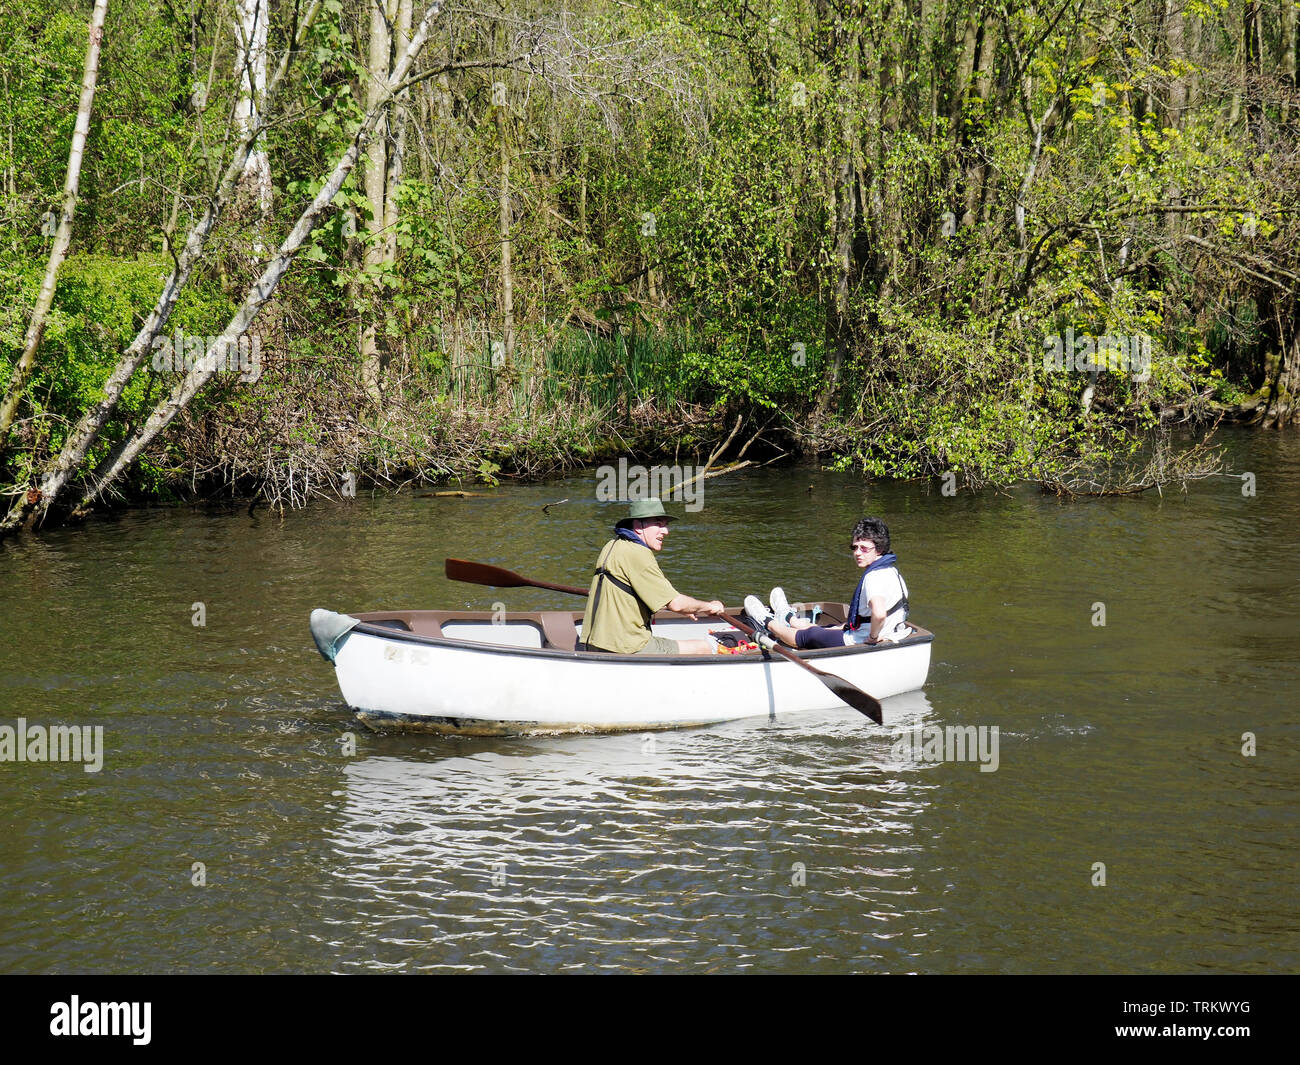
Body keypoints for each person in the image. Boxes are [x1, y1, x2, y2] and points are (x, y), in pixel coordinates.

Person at [578, 498, 726, 655]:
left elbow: (635, 593)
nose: (665, 531)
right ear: (637, 526)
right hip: (626, 647)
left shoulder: (612, 545)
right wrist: (710, 607)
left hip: (594, 644)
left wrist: (689, 607)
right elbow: (676, 604)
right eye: (658, 524)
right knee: (703, 647)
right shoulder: (639, 553)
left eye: (665, 525)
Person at [744, 517, 910, 650]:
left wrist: (872, 638)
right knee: (830, 628)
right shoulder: (893, 572)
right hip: (892, 633)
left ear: (879, 548)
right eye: (854, 547)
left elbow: (879, 613)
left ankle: (766, 621)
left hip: (859, 639)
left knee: (810, 635)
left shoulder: (874, 577)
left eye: (864, 548)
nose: (857, 553)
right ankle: (788, 617)